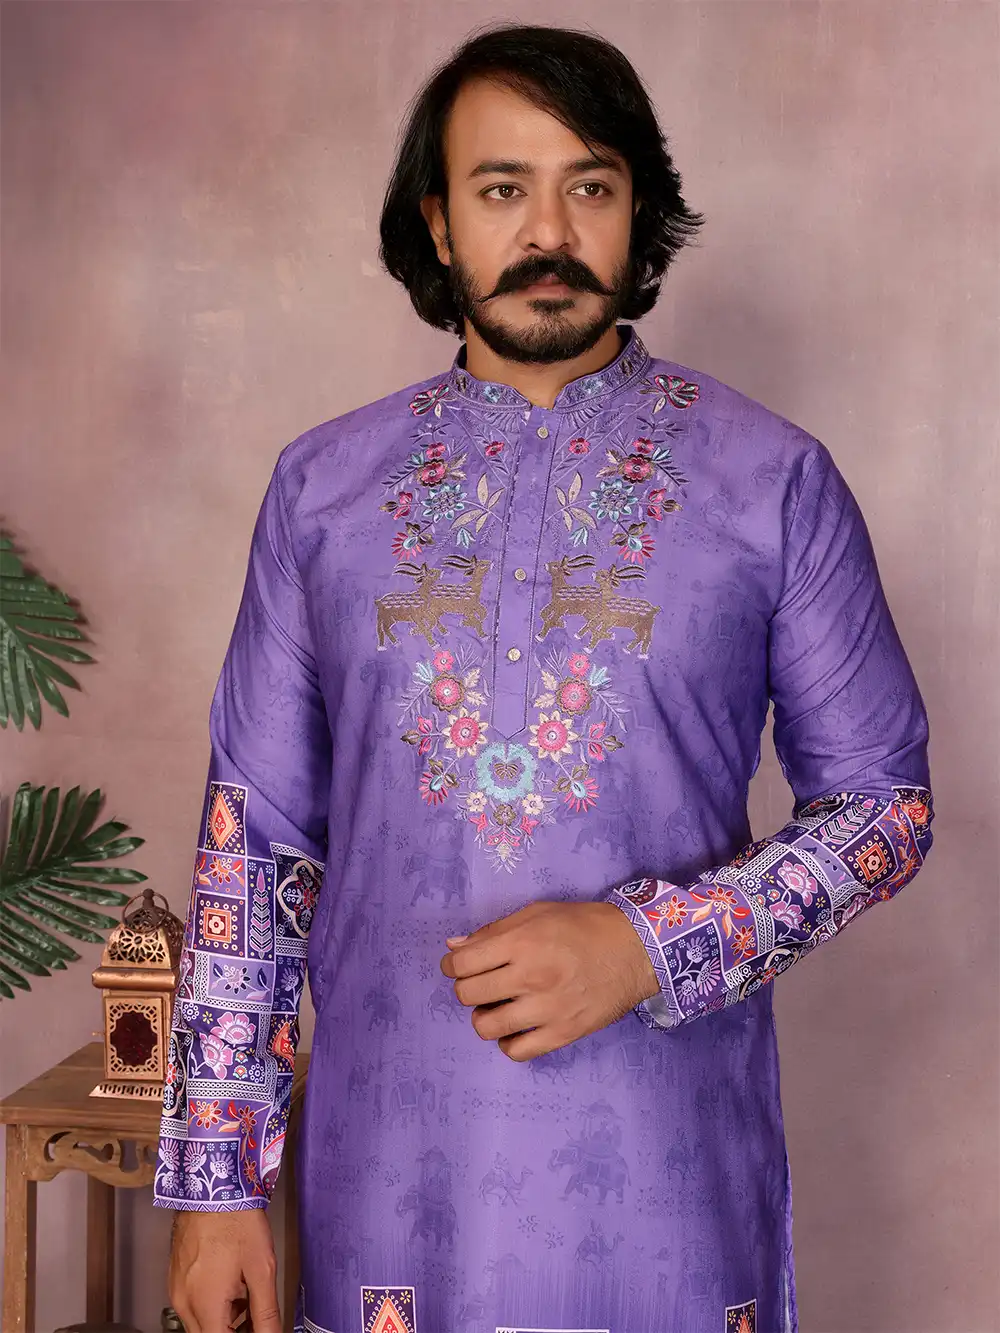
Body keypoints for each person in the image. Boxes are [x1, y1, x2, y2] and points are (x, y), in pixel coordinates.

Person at [155, 22, 934, 1333]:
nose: (549, 230)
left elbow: (883, 810)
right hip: (391, 1182)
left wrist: (651, 944)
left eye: (591, 185)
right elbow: (256, 843)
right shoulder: (322, 492)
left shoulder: (772, 481)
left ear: (639, 213)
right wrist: (219, 1185)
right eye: (503, 188)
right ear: (440, 223)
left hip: (668, 1182)